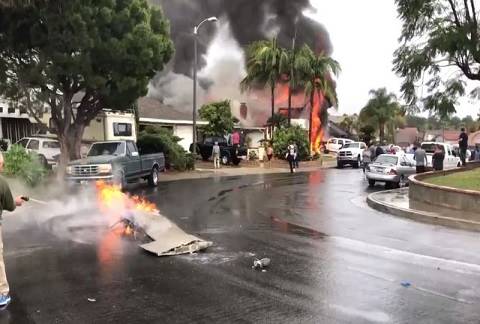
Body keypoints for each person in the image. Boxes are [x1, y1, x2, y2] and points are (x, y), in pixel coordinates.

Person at [0, 153, 24, 308]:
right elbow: (10, 205)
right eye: (2, 164)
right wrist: (17, 202)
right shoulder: (1, 182)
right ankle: (2, 294)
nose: (3, 167)